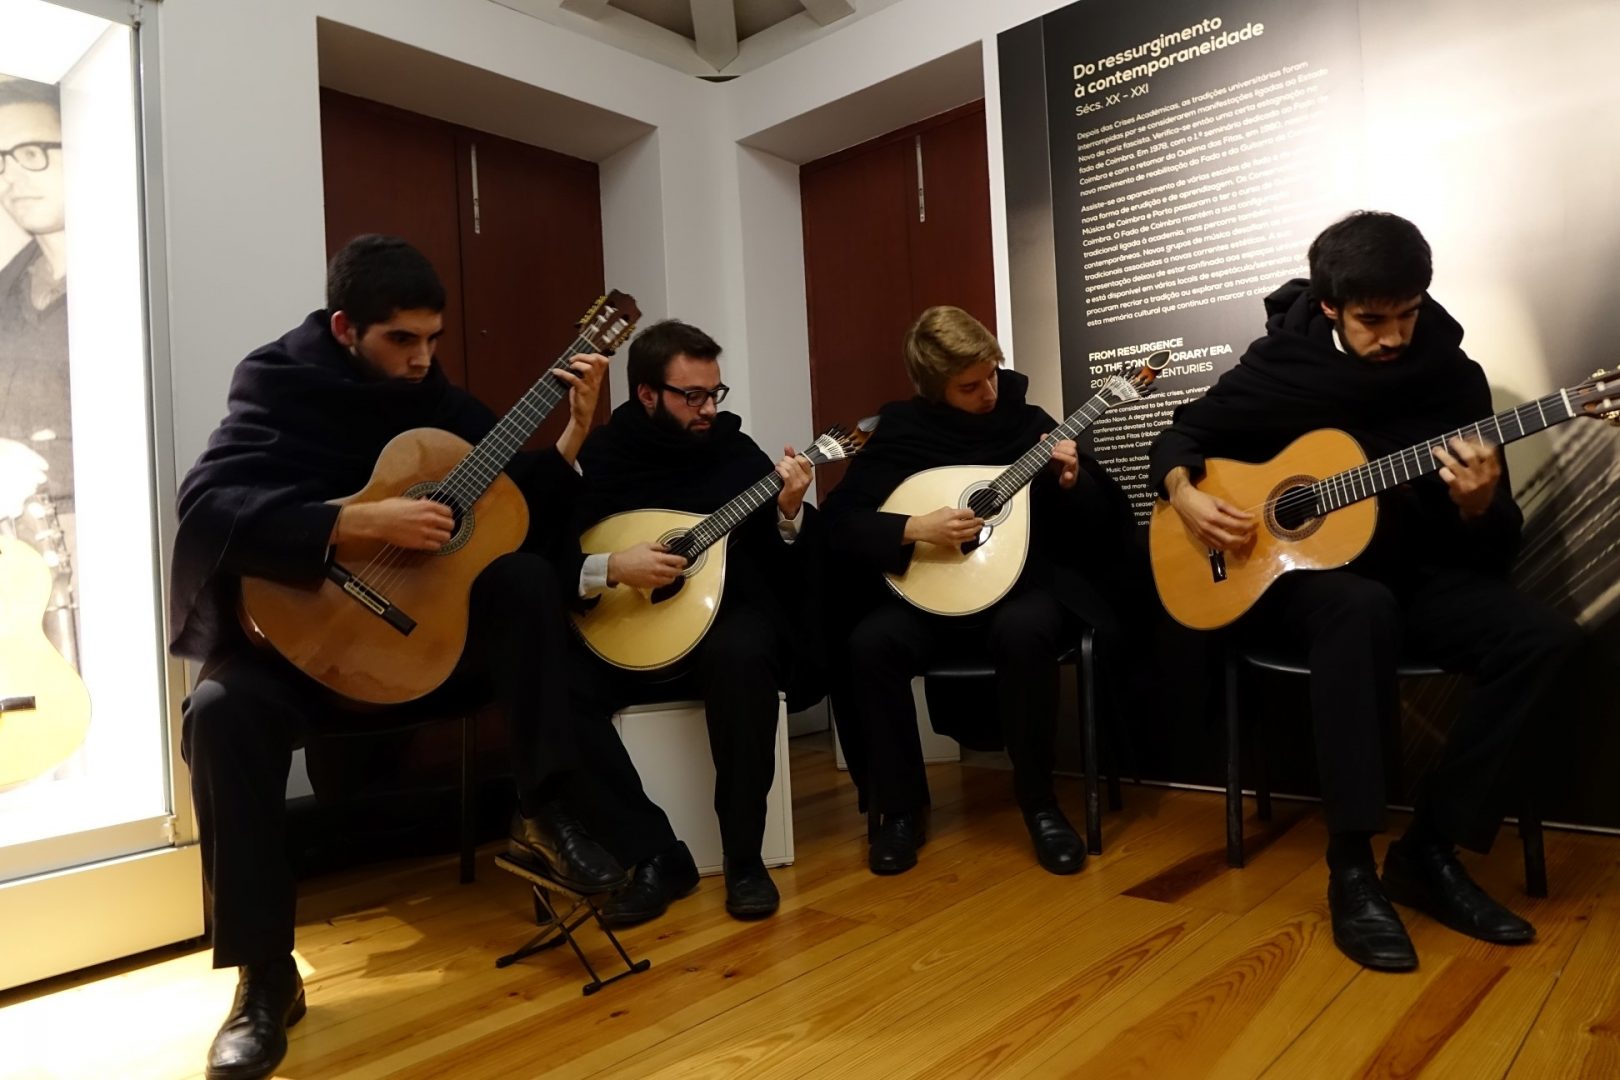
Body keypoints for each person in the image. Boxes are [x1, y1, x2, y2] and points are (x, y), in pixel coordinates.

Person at [169, 235, 626, 1080]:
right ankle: (265, 977)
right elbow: (208, 509)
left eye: (433, 339)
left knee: (524, 580)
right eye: (401, 341)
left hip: (417, 654)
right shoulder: (277, 382)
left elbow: (513, 506)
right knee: (220, 714)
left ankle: (547, 811)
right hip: (302, 646)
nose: (422, 361)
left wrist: (573, 434)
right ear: (345, 327)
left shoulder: (438, 397)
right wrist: (355, 524)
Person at [1148, 211, 1583, 972]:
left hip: (1416, 578)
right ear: (1329, 309)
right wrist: (1183, 492)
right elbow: (1181, 433)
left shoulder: (1451, 377)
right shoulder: (1280, 365)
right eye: (1372, 320)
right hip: (1300, 588)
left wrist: (1478, 504)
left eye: (1407, 314)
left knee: (1545, 640)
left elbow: (1493, 544)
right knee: (1358, 607)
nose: (1393, 337)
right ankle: (1351, 867)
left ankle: (1430, 849)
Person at [822, 305, 1142, 877]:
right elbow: (838, 523)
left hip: (1021, 587)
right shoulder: (899, 433)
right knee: (871, 644)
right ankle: (901, 810)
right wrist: (912, 528)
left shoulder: (1030, 421)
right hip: (929, 593)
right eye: (969, 386)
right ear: (931, 387)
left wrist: (1071, 482)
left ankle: (1040, 802)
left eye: (992, 373)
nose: (989, 392)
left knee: (1026, 629)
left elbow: (1098, 524)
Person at [566, 319, 814, 925]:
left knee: (746, 654)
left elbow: (777, 558)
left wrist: (786, 511)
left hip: (718, 623)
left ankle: (744, 857)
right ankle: (650, 853)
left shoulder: (736, 452)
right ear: (647, 395)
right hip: (625, 625)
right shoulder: (603, 456)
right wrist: (614, 566)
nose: (708, 409)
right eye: (692, 396)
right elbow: (564, 551)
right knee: (557, 684)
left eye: (715, 393)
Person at [0, 77, 70, 505]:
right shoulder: (5, 293)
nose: (12, 178)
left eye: (31, 153)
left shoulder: (138, 292)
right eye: (1, 161)